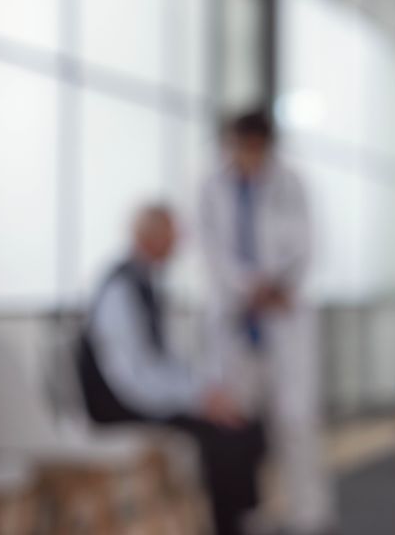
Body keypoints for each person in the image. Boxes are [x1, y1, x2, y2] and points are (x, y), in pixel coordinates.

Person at [77, 204, 266, 535]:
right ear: (150, 237)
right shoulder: (120, 290)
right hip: (117, 405)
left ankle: (243, 520)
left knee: (246, 425)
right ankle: (230, 527)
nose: (178, 243)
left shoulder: (146, 284)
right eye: (171, 234)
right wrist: (196, 401)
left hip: (141, 393)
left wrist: (205, 391)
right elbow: (132, 375)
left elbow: (162, 362)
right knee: (222, 434)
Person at [198, 110, 335, 534]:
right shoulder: (212, 187)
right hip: (236, 319)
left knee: (295, 420)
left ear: (267, 146)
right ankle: (249, 510)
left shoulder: (291, 183)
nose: (247, 156)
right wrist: (247, 288)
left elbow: (307, 245)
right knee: (239, 422)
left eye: (256, 148)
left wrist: (277, 287)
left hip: (282, 315)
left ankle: (307, 513)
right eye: (240, 146)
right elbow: (213, 253)